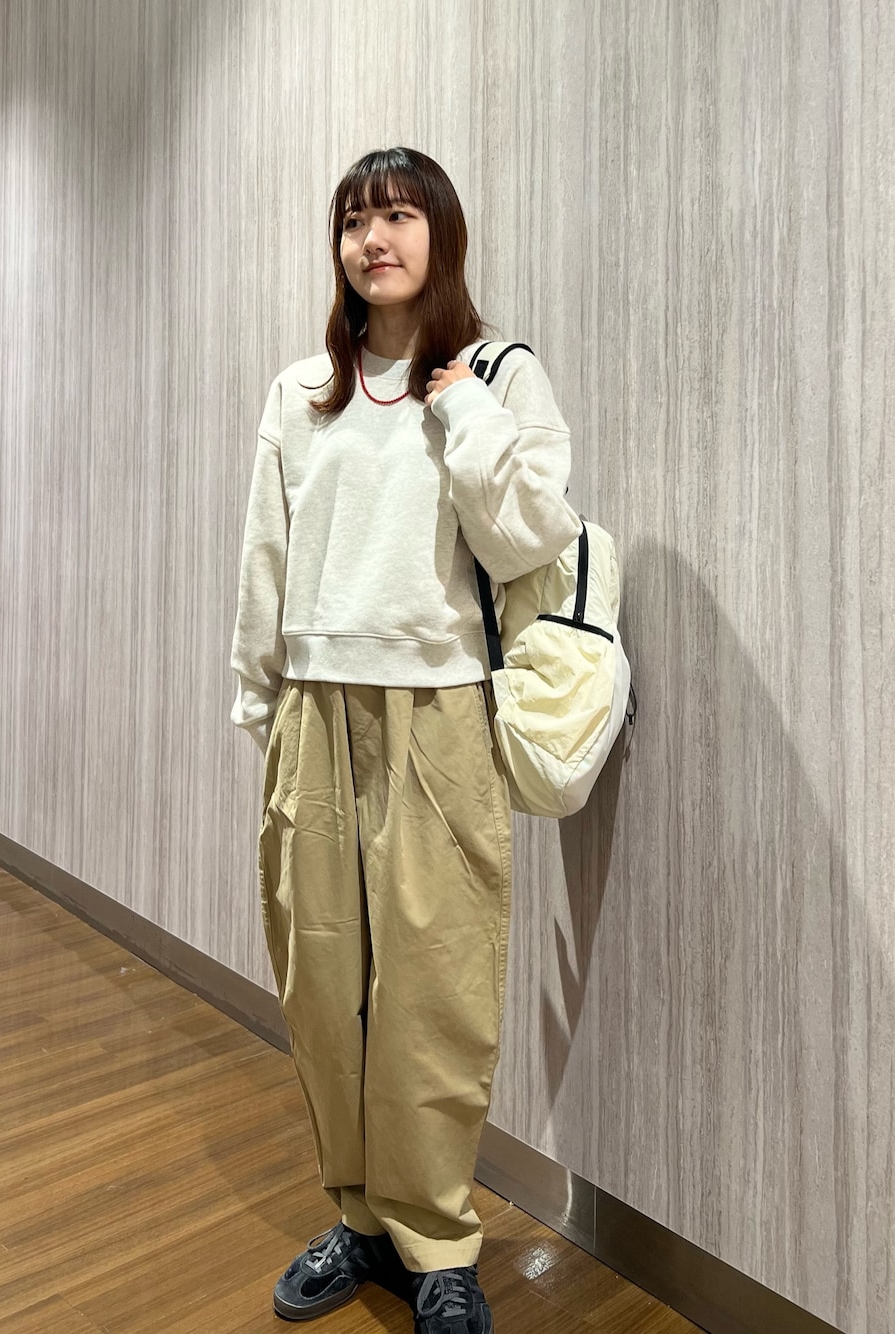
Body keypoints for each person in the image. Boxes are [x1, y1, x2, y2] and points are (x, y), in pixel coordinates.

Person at [230, 146, 578, 1334]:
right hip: (315, 707)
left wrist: (463, 406)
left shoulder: (499, 373)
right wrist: (259, 702)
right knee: (323, 980)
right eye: (353, 221)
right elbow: (265, 557)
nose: (372, 239)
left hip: (441, 713)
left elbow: (531, 532)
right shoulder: (301, 392)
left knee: (435, 989)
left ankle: (436, 1238)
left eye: (395, 215)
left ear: (441, 233)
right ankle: (359, 1213)